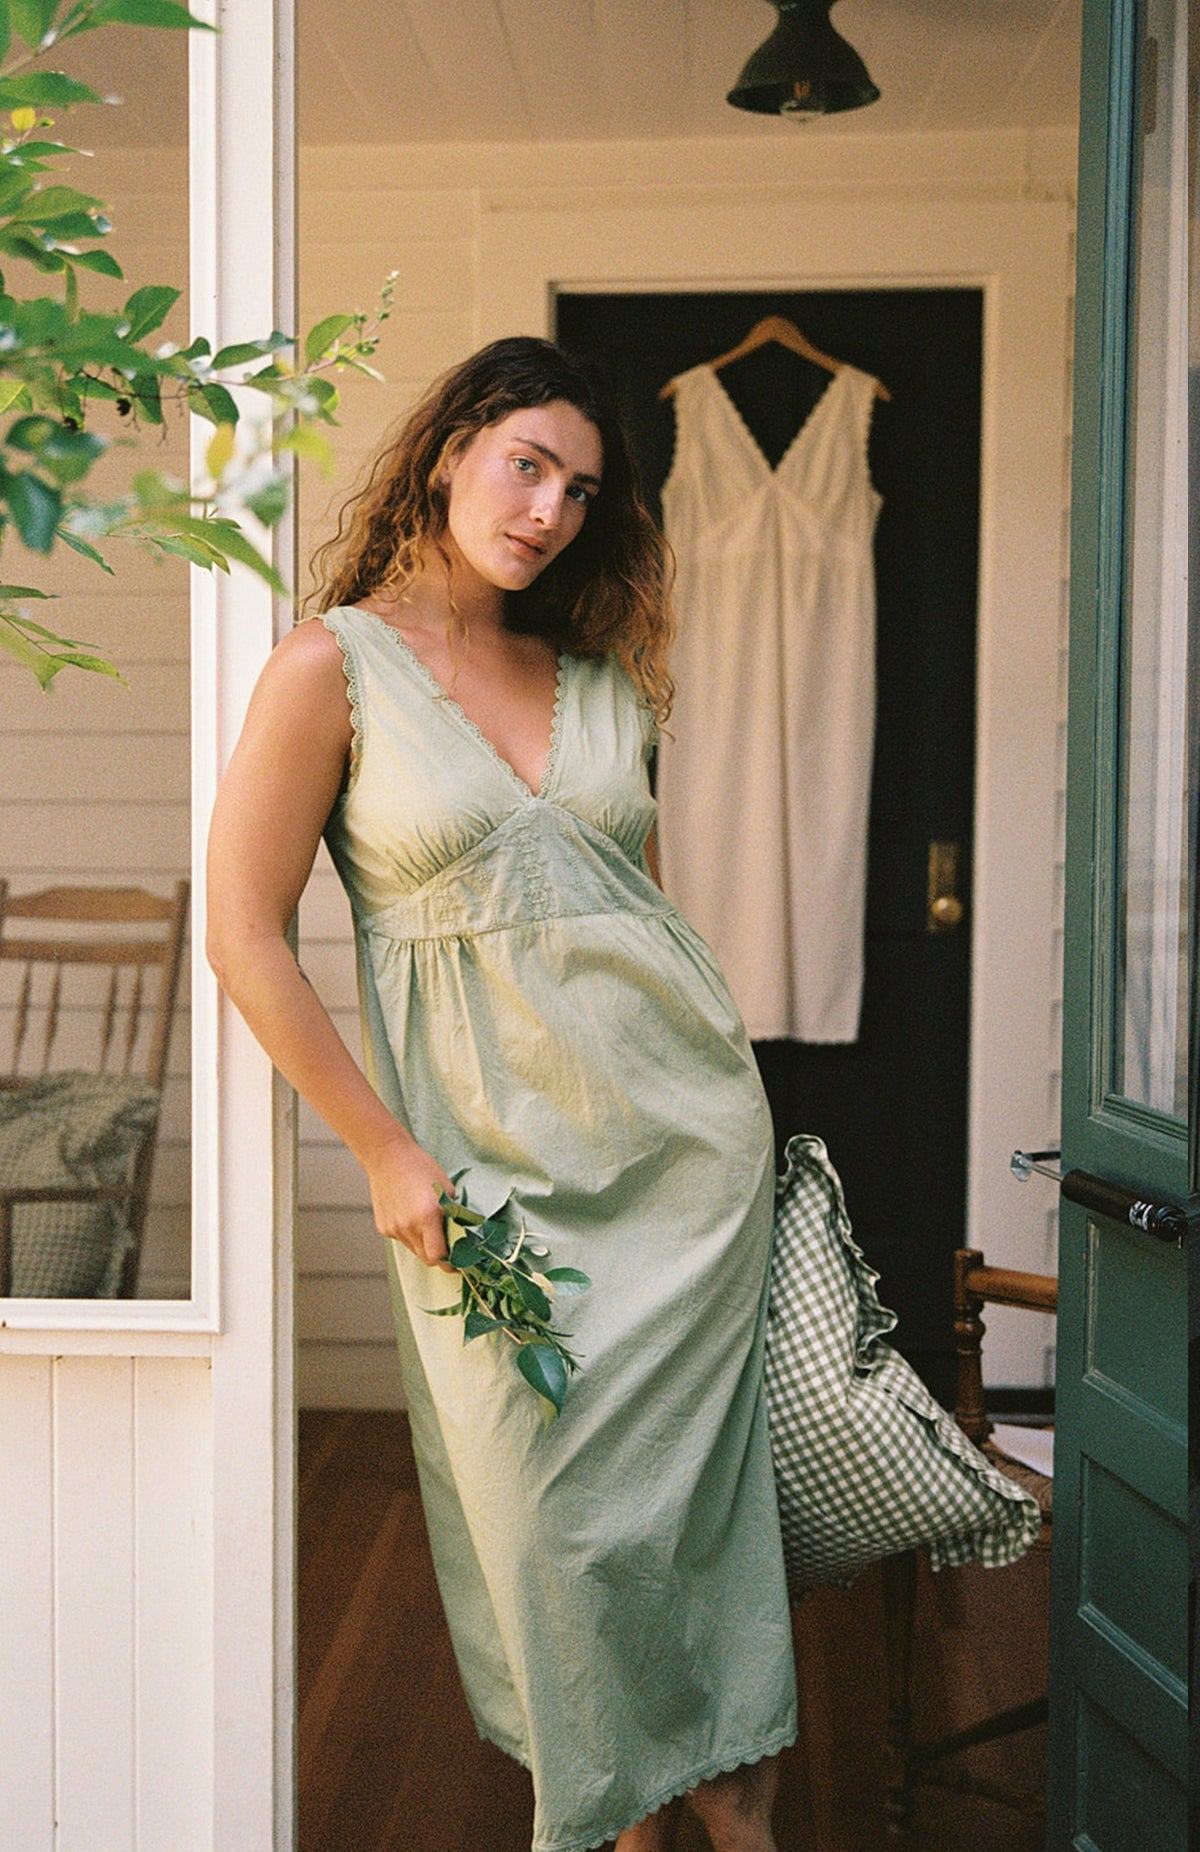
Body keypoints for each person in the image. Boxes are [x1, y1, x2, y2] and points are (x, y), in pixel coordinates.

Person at [206, 336, 797, 1852]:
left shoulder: (601, 681)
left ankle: (736, 1819)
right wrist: (384, 1151)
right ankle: (634, 1816)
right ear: (448, 449)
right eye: (527, 465)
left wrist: (730, 1093)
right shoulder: (332, 667)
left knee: (694, 1528)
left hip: (685, 1162)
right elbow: (242, 930)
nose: (548, 511)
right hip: (480, 1186)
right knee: (556, 1535)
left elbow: (641, 914)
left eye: (581, 491)